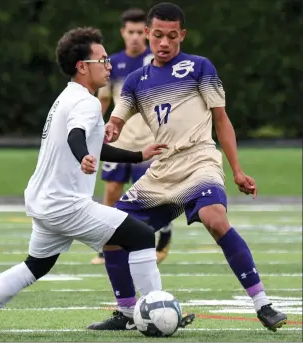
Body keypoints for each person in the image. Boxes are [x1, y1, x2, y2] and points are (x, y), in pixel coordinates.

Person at [88, 2, 287, 332]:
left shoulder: (200, 67)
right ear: (149, 34)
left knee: (215, 219)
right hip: (163, 169)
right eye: (158, 36)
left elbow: (222, 120)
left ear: (182, 35)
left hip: (200, 161)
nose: (164, 43)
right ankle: (125, 313)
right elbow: (117, 119)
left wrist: (237, 170)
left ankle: (262, 304)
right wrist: (111, 128)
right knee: (112, 232)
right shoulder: (137, 79)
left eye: (171, 36)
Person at [0, 27, 168, 335]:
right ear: (82, 66)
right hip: (66, 203)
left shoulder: (68, 97)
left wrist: (138, 155)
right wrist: (83, 155)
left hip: (44, 202)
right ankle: (156, 315)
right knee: (140, 237)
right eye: (102, 59)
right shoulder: (85, 102)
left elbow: (92, 142)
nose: (109, 65)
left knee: (37, 264)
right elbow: (76, 137)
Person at [91, 8, 173, 266]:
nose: (136, 37)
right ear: (123, 33)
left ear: (147, 34)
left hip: (148, 143)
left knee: (148, 198)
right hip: (118, 141)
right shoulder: (111, 64)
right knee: (112, 192)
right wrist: (93, 127)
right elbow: (103, 101)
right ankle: (108, 246)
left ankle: (162, 237)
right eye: (131, 32)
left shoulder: (159, 63)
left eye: (140, 32)